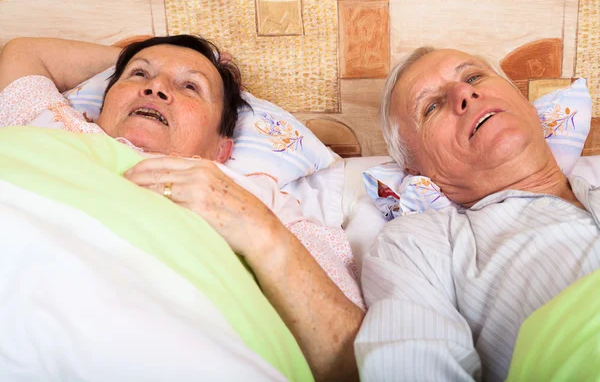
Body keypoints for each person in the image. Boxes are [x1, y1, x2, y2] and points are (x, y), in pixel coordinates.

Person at [0, 35, 364, 381]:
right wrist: (141, 54)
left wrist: (260, 230)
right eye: (139, 75)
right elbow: (23, 52)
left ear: (222, 149)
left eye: (191, 87)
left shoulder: (260, 201)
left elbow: (349, 359)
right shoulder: (56, 128)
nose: (155, 88)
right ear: (101, 106)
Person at [354, 47, 600, 381]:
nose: (464, 92)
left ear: (524, 103)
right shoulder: (419, 243)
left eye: (473, 76)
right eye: (431, 106)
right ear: (415, 168)